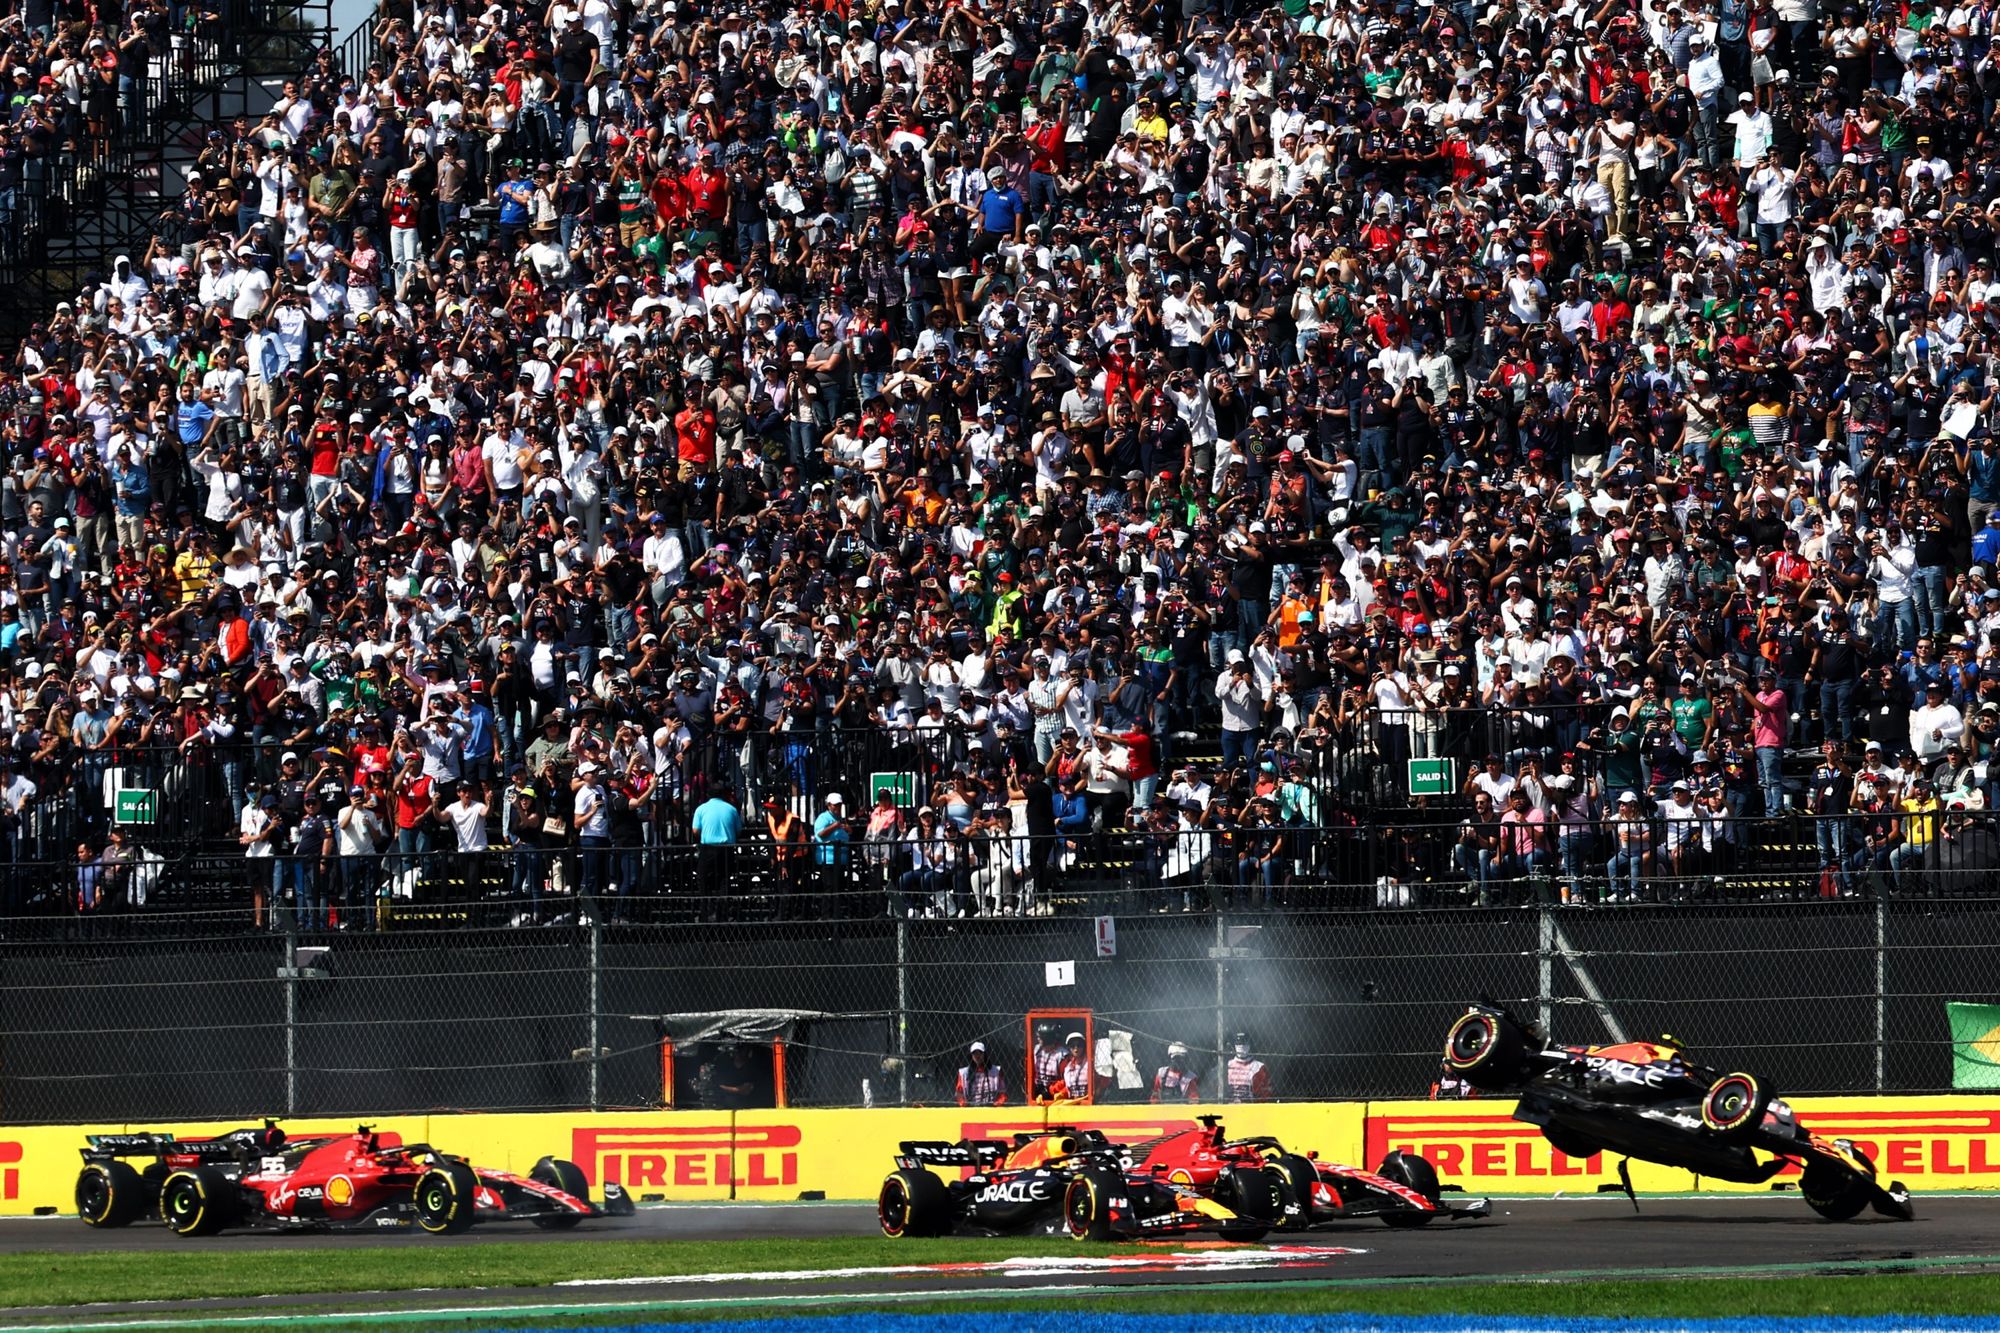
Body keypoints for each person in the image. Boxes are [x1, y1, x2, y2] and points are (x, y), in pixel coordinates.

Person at [955, 1040, 1007, 1106]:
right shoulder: (963, 1073)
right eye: (974, 1053)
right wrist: (964, 1104)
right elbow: (959, 1093)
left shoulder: (996, 1071)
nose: (977, 1055)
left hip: (992, 1109)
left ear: (984, 1054)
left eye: (980, 1052)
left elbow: (1002, 1092)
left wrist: (997, 1105)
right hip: (971, 1109)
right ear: (971, 1056)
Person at [1223, 1033, 1272, 1102]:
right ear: (1234, 1045)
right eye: (1238, 1042)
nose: (1241, 1045)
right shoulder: (1226, 1066)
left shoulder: (1259, 1067)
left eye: (1244, 1042)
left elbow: (1266, 1093)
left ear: (1250, 1044)